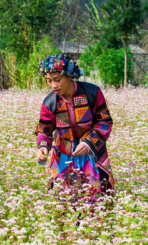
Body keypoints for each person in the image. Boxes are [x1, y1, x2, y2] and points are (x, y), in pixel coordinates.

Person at [34, 54, 114, 202]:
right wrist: (43, 146)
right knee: (64, 196)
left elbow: (104, 122)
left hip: (91, 151)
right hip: (64, 152)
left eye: (57, 80)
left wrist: (89, 143)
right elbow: (44, 130)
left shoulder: (92, 93)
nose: (53, 85)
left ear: (70, 76)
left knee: (96, 194)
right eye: (49, 81)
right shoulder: (50, 102)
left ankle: (95, 223)